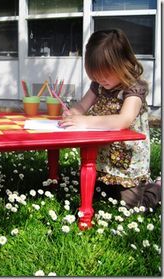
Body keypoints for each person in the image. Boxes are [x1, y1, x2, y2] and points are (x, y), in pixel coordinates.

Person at [59, 29, 161, 210]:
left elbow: (124, 120)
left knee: (129, 206)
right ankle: (110, 184)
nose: (100, 79)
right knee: (93, 192)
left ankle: (157, 189)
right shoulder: (98, 85)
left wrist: (84, 121)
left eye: (105, 73)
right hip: (103, 156)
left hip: (128, 160)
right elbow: (83, 106)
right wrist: (73, 112)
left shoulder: (134, 89)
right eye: (95, 74)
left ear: (124, 63)